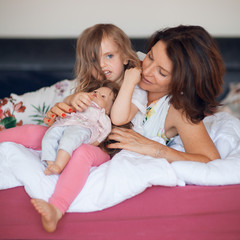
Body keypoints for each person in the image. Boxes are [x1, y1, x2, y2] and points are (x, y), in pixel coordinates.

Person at [34, 25, 224, 232]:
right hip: (73, 106)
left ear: (182, 82)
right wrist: (66, 105)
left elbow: (209, 160)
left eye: (162, 72)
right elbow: (90, 80)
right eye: (150, 57)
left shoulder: (178, 109)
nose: (147, 71)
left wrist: (153, 148)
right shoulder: (132, 64)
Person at [0, 23, 147, 232]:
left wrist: (130, 81)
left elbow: (119, 117)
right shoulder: (92, 84)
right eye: (94, 60)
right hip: (72, 129)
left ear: (125, 57)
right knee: (34, 131)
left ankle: (56, 208)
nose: (102, 65)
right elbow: (69, 108)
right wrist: (73, 98)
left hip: (103, 146)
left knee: (83, 153)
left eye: (109, 56)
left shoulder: (136, 88)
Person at [42, 81, 119, 175]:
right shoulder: (82, 103)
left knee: (69, 139)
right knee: (50, 135)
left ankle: (59, 165)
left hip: (83, 127)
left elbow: (106, 130)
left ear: (108, 110)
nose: (96, 94)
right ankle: (50, 163)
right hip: (66, 123)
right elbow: (69, 110)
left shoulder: (102, 113)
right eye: (95, 91)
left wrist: (96, 142)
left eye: (103, 96)